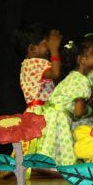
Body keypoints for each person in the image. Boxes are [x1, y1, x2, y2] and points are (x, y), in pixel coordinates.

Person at [36, 36, 93, 166]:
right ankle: (62, 168)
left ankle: (47, 167)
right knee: (65, 156)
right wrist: (90, 109)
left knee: (50, 148)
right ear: (82, 60)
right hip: (59, 118)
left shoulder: (71, 76)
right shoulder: (82, 80)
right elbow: (78, 112)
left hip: (49, 114)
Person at [14, 23, 62, 154]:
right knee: (45, 143)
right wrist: (54, 49)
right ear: (32, 49)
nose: (49, 48)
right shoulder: (36, 63)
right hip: (41, 113)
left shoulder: (27, 64)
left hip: (35, 111)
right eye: (46, 44)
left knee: (36, 146)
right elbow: (55, 73)